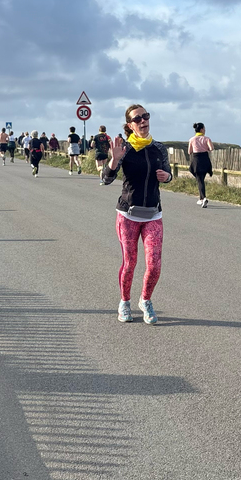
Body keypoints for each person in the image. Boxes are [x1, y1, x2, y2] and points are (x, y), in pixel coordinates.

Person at [101, 104, 172, 325]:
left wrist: (167, 177)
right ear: (130, 125)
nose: (143, 121)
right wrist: (114, 160)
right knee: (130, 263)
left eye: (145, 116)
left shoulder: (159, 148)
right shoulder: (125, 149)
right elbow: (106, 179)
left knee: (154, 265)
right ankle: (124, 302)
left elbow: (169, 173)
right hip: (128, 215)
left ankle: (145, 300)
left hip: (153, 214)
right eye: (137, 119)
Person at [188, 122, 215, 208]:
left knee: (199, 180)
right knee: (200, 180)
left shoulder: (192, 139)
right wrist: (205, 148)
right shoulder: (207, 139)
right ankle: (201, 198)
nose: (205, 130)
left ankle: (203, 198)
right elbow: (211, 148)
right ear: (201, 129)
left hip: (197, 160)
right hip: (205, 160)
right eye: (204, 128)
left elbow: (189, 152)